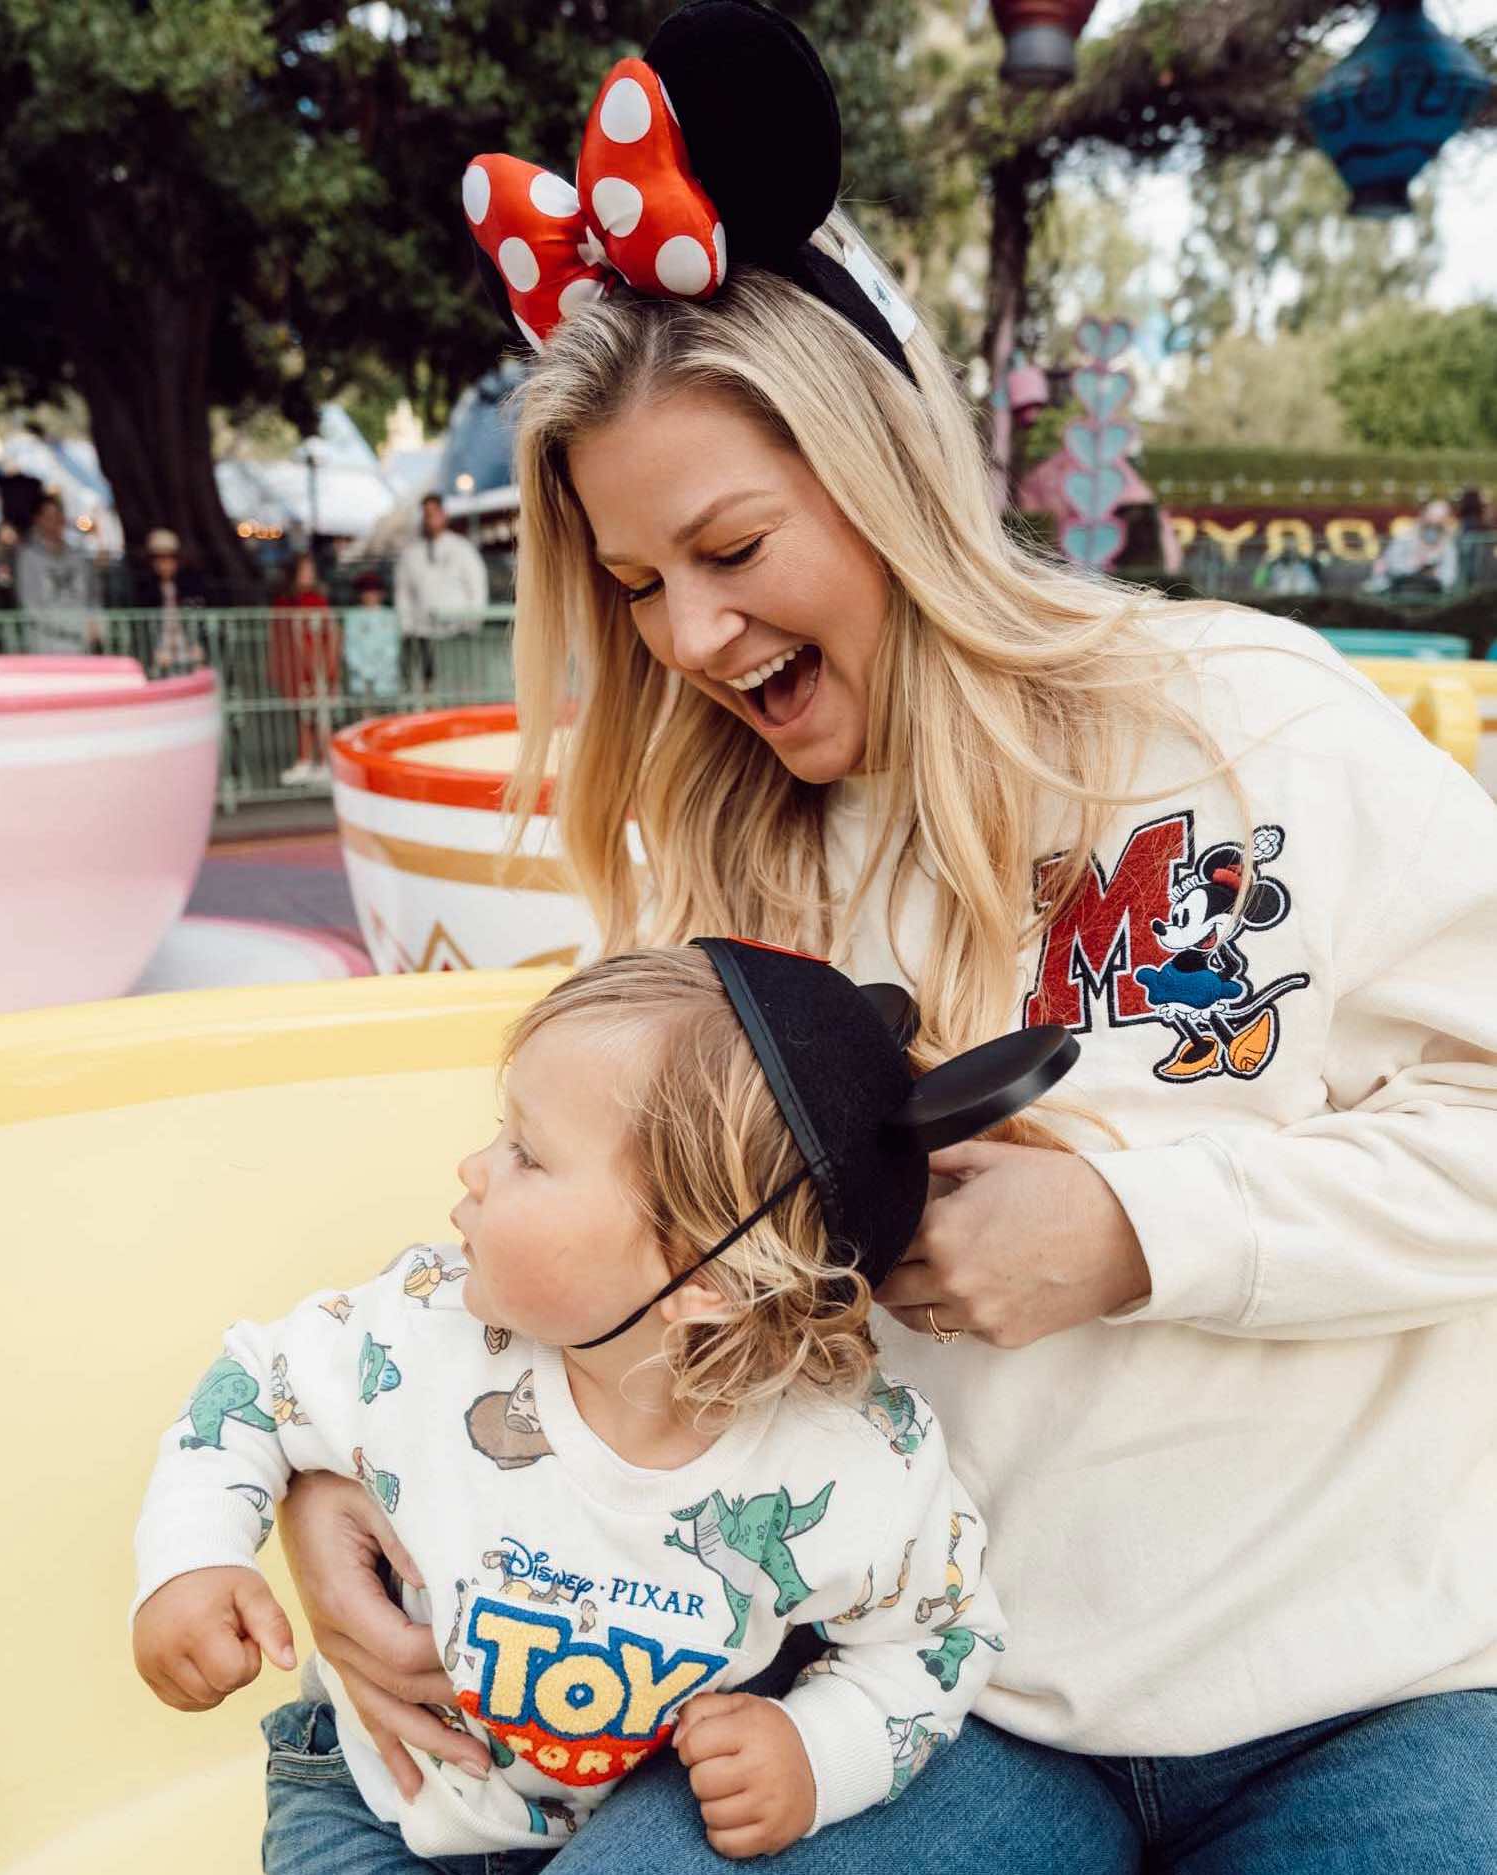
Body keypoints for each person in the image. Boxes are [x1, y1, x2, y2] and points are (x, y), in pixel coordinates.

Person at [276, 3, 1497, 1869]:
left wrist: (1135, 1233)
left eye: (733, 549)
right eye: (634, 587)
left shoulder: (1251, 719)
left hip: (1387, 1689)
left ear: (892, 479)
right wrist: (321, 1472)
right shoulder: (715, 866)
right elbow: (600, 1244)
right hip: (923, 1700)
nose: (685, 638)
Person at [132, 943, 1013, 1867]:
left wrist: (819, 1752)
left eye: (527, 1153)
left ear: (702, 1272)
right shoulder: (418, 1329)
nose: (472, 1167)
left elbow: (943, 1634)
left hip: (619, 1825)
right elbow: (247, 1391)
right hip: (369, 1800)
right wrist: (189, 1558)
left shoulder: (855, 1453)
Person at [394, 493, 489, 694]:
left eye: (434, 513)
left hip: (459, 631)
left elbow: (477, 586)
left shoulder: (462, 549)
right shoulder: (411, 554)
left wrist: (473, 620)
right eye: (426, 514)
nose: (430, 519)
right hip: (423, 632)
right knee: (428, 685)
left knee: (463, 683)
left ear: (444, 515)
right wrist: (408, 626)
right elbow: (403, 593)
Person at [268, 550, 340, 785]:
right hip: (296, 667)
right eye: (305, 570)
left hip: (317, 666)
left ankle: (326, 761)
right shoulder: (283, 603)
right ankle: (306, 759)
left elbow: (331, 634)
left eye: (311, 570)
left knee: (321, 716)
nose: (309, 575)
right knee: (303, 716)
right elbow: (279, 637)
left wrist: (329, 666)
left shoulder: (318, 601)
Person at [13, 492, 102, 652]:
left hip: (82, 646)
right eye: (48, 517)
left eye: (57, 516)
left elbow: (93, 596)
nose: (54, 522)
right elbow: (30, 606)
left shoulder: (79, 557)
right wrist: (73, 628)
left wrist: (96, 625)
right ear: (37, 519)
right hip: (45, 644)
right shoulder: (27, 558)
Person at [133, 527, 209, 676]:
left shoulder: (189, 586)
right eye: (159, 559)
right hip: (160, 651)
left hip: (186, 648)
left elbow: (198, 621)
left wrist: (197, 645)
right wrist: (153, 651)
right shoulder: (144, 590)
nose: (165, 564)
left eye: (170, 558)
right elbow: (141, 628)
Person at [1367, 497, 1460, 596]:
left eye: (1439, 521)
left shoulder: (1448, 545)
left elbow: (1448, 578)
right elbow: (1390, 567)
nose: (1433, 524)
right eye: (1431, 518)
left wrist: (1432, 573)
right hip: (1399, 594)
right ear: (1423, 516)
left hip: (1433, 598)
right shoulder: (1405, 538)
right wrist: (1413, 564)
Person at [343, 569, 403, 705]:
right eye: (366, 591)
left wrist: (379, 668)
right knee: (366, 714)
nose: (370, 595)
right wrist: (364, 671)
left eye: (374, 590)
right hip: (361, 679)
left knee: (386, 715)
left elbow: (393, 646)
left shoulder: (390, 616)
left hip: (386, 677)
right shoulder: (352, 616)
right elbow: (350, 648)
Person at [1250, 536, 1321, 598]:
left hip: (1306, 602)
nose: (1290, 552)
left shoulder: (1306, 565)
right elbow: (1258, 584)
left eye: (1293, 547)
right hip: (1279, 603)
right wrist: (1265, 563)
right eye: (1286, 548)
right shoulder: (1274, 566)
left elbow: (1317, 588)